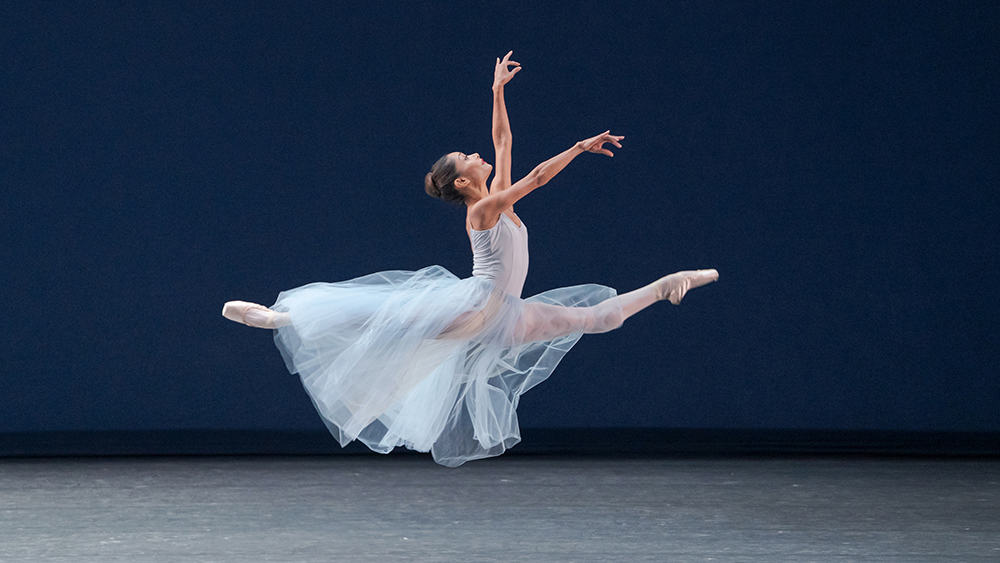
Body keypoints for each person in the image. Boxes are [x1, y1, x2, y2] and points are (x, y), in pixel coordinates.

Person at [222, 52, 718, 467]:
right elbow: (538, 178)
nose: (479, 155)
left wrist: (498, 91)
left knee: (593, 319)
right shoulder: (483, 210)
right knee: (390, 321)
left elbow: (504, 141)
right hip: (477, 305)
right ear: (462, 182)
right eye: (468, 158)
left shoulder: (495, 194)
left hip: (509, 312)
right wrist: (579, 147)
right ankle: (282, 318)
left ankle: (666, 284)